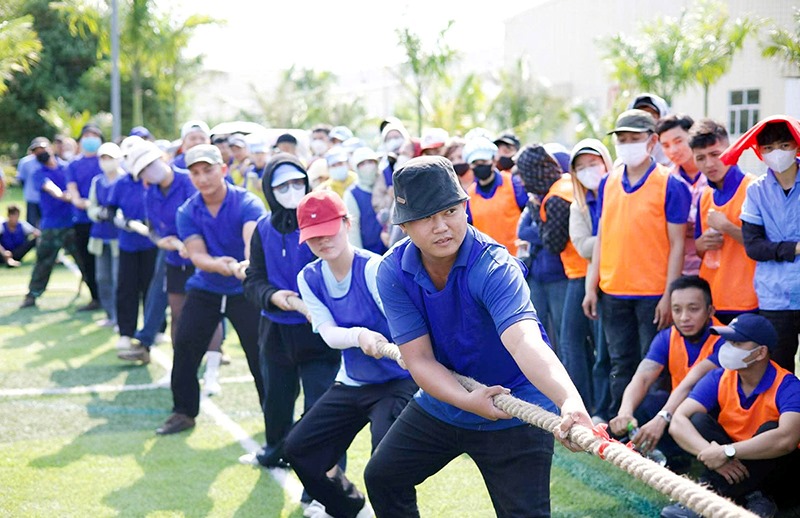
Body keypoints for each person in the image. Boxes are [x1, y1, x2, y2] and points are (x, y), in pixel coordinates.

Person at [363, 156, 592, 517]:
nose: (441, 226)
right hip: (444, 400)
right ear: (404, 226)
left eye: (450, 211)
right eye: (425, 217)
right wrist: (467, 401)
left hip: (517, 407)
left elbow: (524, 341)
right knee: (382, 477)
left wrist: (569, 402)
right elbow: (418, 359)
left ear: (465, 207)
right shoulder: (392, 271)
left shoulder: (494, 265)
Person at [282, 190, 416, 518]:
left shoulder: (374, 268)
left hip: (397, 382)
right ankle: (350, 507)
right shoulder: (309, 277)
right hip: (353, 381)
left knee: (385, 466)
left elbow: (406, 326)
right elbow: (327, 333)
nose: (323, 241)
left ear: (346, 223)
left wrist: (387, 344)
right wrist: (360, 336)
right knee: (299, 449)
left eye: (329, 231)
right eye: (314, 237)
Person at [583, 109, 691, 415]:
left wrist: (670, 295)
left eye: (635, 139)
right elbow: (602, 237)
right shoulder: (609, 182)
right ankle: (623, 428)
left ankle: (654, 434)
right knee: (621, 363)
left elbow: (678, 244)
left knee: (654, 366)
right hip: (613, 292)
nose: (627, 144)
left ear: (652, 141)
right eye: (623, 139)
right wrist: (592, 287)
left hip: (653, 295)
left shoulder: (671, 184)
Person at [157, 144, 266, 435]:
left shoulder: (247, 202)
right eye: (195, 173)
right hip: (206, 287)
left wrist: (246, 265)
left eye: (208, 170)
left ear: (223, 169)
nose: (202, 178)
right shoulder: (188, 210)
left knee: (261, 354)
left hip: (245, 290)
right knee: (185, 348)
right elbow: (197, 255)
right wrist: (224, 266)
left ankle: (274, 418)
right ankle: (183, 412)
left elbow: (251, 238)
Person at [242, 153, 341, 467]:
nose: (292, 189)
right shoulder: (262, 229)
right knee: (277, 400)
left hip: (318, 331)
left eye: (298, 181)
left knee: (322, 407)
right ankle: (274, 450)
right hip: (275, 329)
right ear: (269, 190)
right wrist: (272, 296)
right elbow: (253, 279)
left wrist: (310, 306)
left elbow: (336, 269)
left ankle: (323, 482)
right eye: (282, 185)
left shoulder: (320, 223)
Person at [664, 314, 800, 517]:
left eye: (737, 342)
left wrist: (727, 452)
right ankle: (751, 497)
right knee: (697, 420)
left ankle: (710, 494)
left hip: (779, 474)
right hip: (732, 461)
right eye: (728, 341)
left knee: (772, 430)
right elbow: (678, 421)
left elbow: (787, 439)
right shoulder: (719, 377)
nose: (727, 347)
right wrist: (714, 456)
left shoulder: (788, 386)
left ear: (761, 352)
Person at [609, 276, 724, 470]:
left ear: (710, 311)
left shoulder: (723, 340)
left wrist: (663, 417)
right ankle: (672, 457)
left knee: (695, 418)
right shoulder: (667, 337)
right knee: (645, 403)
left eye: (693, 309)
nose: (684, 317)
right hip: (676, 408)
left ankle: (704, 461)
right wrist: (625, 412)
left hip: (713, 414)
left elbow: (690, 385)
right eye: (677, 310)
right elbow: (643, 378)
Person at [721, 115, 800, 373]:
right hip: (775, 297)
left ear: (796, 145)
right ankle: (785, 414)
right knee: (780, 366)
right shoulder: (756, 191)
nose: (776, 153)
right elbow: (753, 246)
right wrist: (794, 248)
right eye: (768, 148)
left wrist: (775, 249)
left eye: (783, 145)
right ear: (760, 153)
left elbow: (762, 246)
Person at [690, 119, 758, 325]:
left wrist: (727, 227)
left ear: (731, 150)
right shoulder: (704, 195)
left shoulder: (754, 189)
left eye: (715, 154)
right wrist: (702, 244)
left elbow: (764, 246)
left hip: (750, 301)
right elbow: (700, 249)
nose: (709, 164)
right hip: (713, 301)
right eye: (700, 158)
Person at [565, 139, 613, 422]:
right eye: (580, 167)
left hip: (623, 281)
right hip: (593, 281)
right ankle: (596, 410)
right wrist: (613, 237)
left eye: (593, 164)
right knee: (596, 352)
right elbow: (583, 246)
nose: (588, 171)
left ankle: (613, 410)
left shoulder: (621, 194)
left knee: (613, 353)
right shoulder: (580, 205)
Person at [515, 144, 569, 352]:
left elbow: (554, 240)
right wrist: (544, 231)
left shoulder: (557, 198)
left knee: (565, 336)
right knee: (537, 334)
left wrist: (542, 230)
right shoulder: (534, 199)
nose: (521, 180)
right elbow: (523, 230)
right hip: (536, 275)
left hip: (559, 276)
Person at [108, 142, 159, 353]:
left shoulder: (152, 182)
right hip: (128, 243)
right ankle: (126, 332)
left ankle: (155, 329)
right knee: (126, 288)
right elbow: (111, 210)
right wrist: (124, 222)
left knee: (152, 288)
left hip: (152, 243)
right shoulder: (121, 183)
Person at [20, 142, 83, 309]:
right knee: (44, 262)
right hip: (52, 225)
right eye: (37, 152)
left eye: (44, 149)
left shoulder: (67, 167)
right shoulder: (38, 173)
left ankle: (97, 296)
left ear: (51, 148)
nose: (42, 153)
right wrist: (65, 196)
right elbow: (52, 190)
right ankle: (33, 294)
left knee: (84, 260)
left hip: (72, 222)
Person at [656, 114, 706, 276]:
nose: (673, 150)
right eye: (666, 145)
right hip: (676, 271)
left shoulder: (715, 177)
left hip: (710, 267)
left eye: (679, 141)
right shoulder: (664, 181)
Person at [464, 137, 526, 255]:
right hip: (488, 260)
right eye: (475, 163)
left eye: (484, 162)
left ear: (494, 160)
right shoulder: (469, 196)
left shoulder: (513, 183)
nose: (480, 166)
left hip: (517, 257)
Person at [66, 123, 105, 312]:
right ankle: (95, 298)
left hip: (104, 221)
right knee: (87, 261)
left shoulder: (106, 160)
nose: (90, 139)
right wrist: (83, 203)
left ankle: (110, 298)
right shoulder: (73, 164)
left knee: (107, 262)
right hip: (82, 220)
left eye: (94, 135)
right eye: (87, 136)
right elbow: (73, 192)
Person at [86, 143, 123, 327]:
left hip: (119, 237)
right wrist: (98, 213)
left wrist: (117, 215)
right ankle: (110, 314)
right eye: (103, 158)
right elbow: (90, 206)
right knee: (102, 277)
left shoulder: (124, 180)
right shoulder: (97, 181)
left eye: (110, 158)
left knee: (119, 279)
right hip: (100, 236)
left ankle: (120, 317)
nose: (106, 162)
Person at [343, 147, 387, 255]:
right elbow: (353, 230)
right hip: (369, 252)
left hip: (390, 247)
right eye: (362, 164)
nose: (368, 166)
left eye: (371, 162)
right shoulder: (353, 194)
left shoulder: (387, 184)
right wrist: (360, 258)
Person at [628, 92, 671, 165]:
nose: (645, 119)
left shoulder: (674, 156)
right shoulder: (624, 160)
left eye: (651, 114)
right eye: (639, 115)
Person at [16, 137, 50, 228]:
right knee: (32, 224)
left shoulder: (50, 161)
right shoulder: (25, 162)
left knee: (46, 223)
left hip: (47, 198)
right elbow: (21, 179)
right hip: (32, 198)